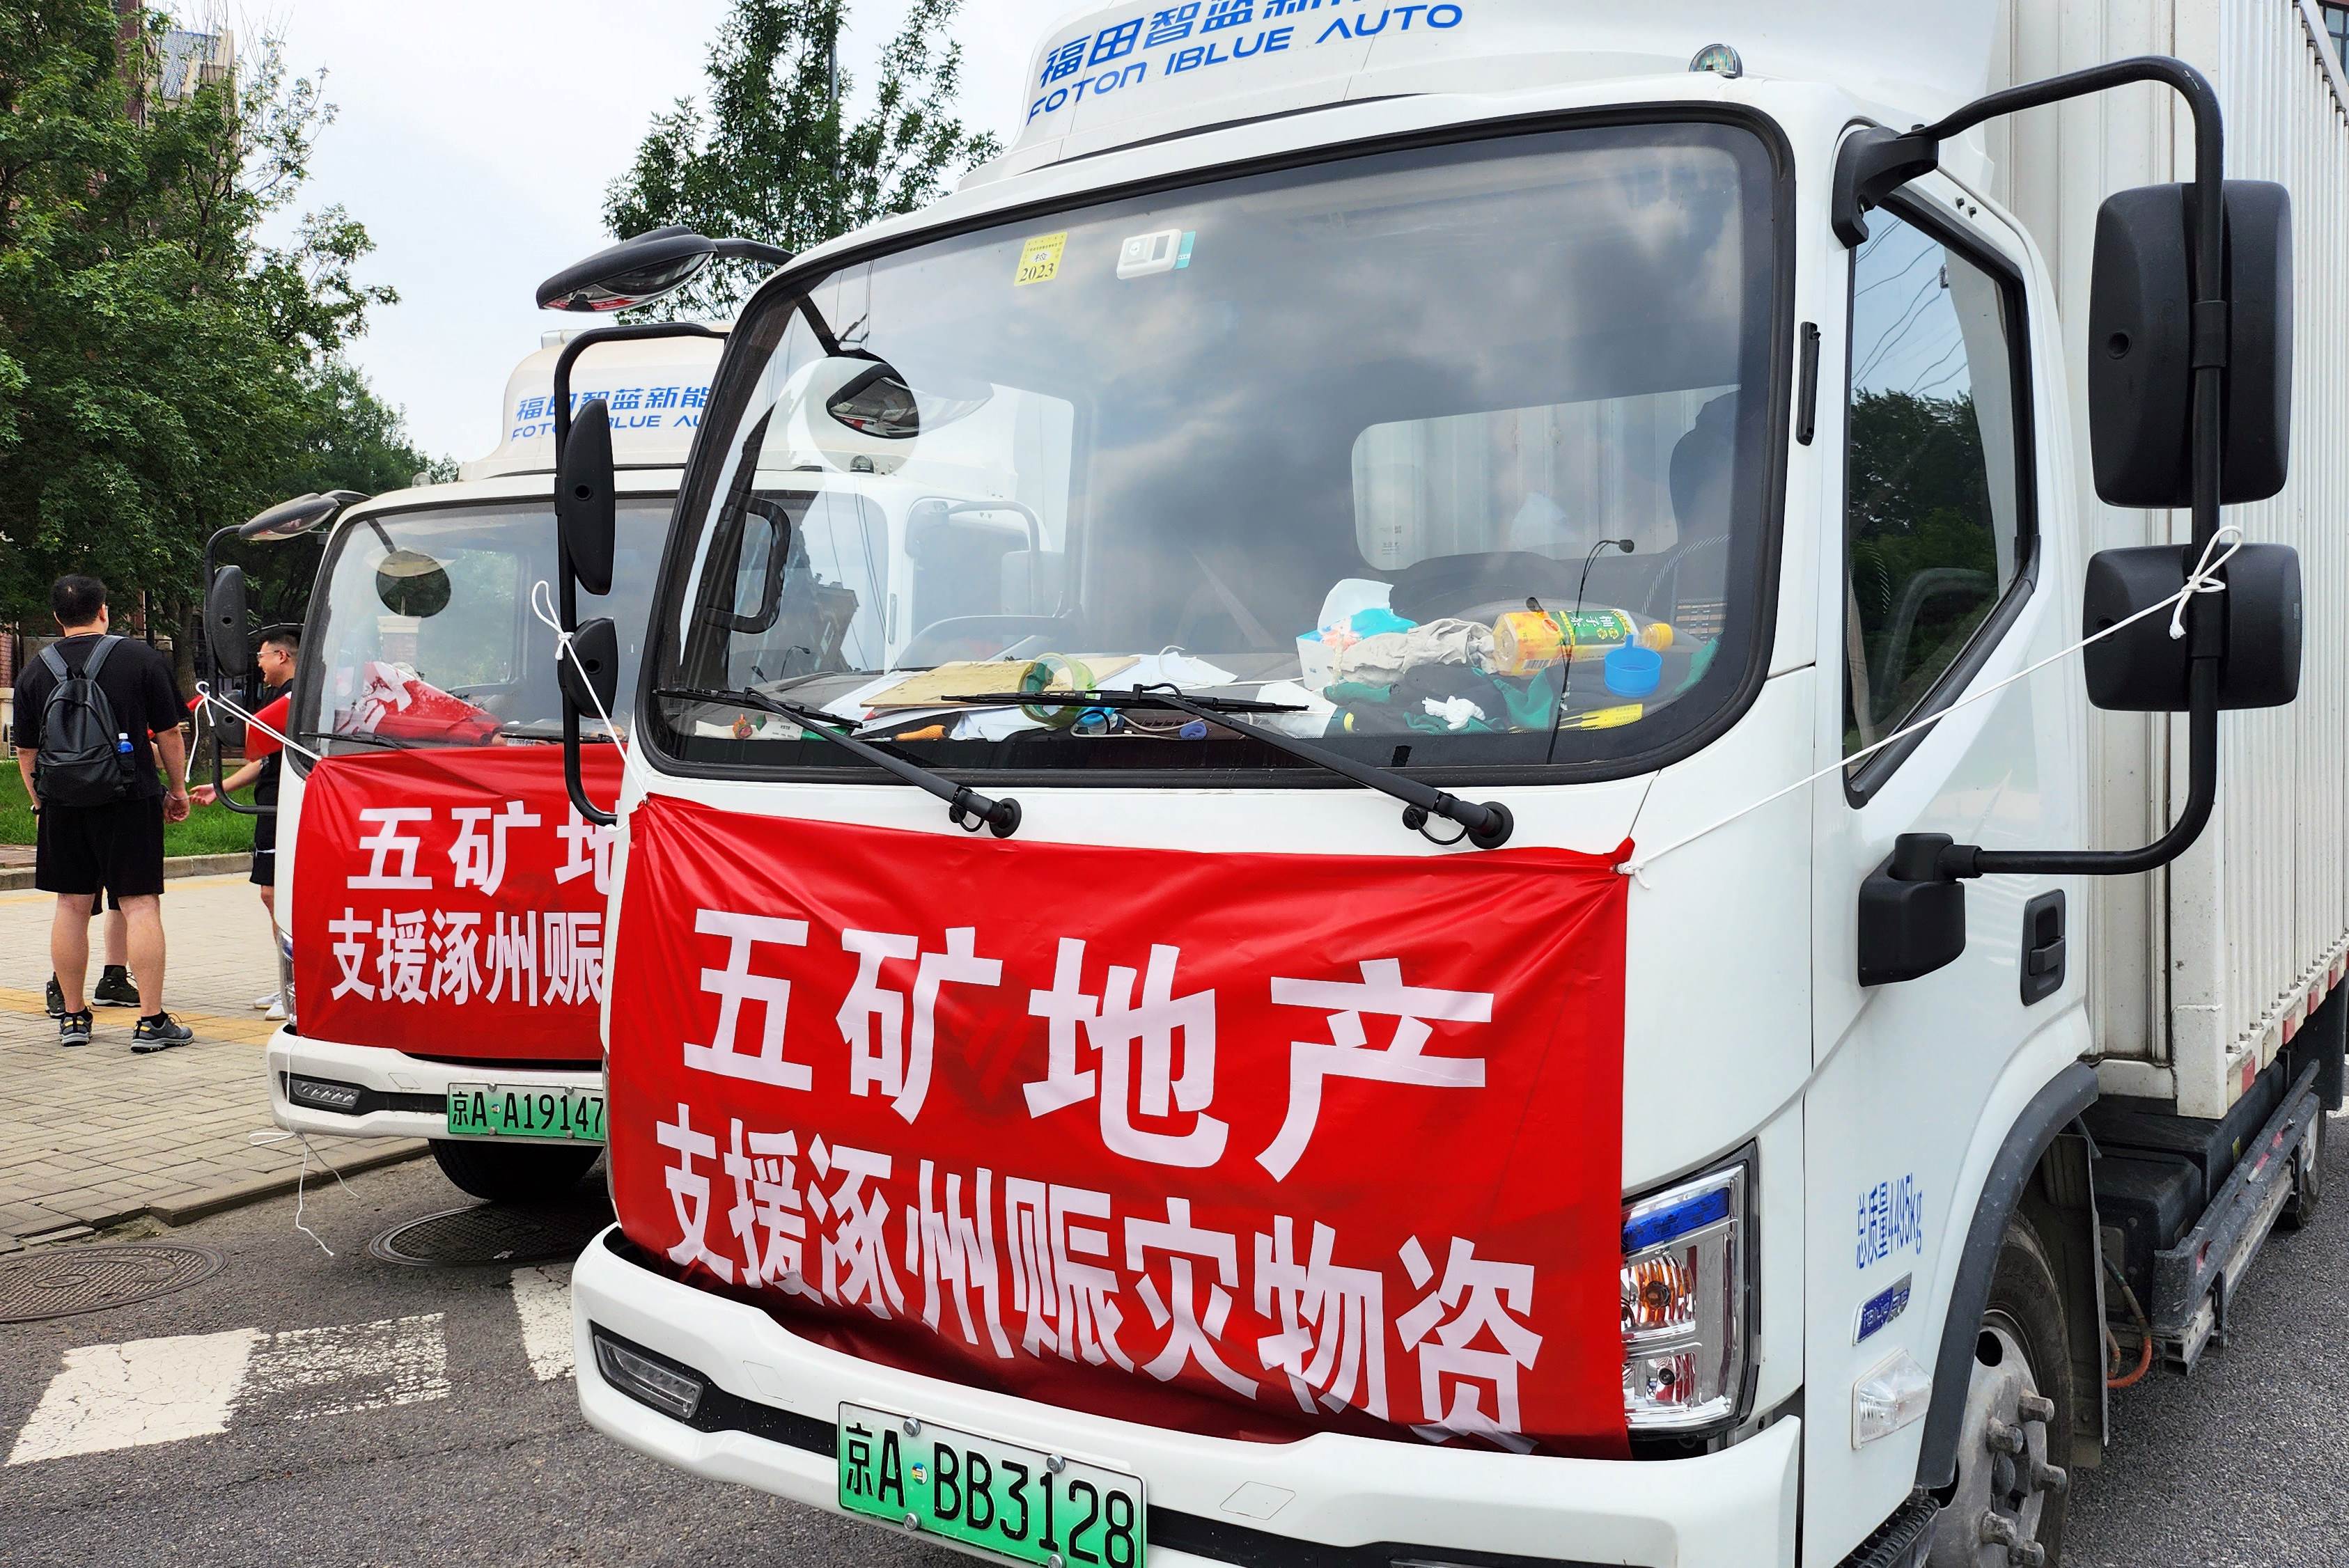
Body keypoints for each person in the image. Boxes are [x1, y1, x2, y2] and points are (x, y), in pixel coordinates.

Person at [13, 575, 195, 1051]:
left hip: (62, 803)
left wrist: (40, 803)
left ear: (57, 618)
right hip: (129, 797)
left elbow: (26, 751)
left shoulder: (34, 671)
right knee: (139, 904)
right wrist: (177, 790)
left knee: (71, 905)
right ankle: (151, 1022)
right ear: (104, 611)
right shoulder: (139, 659)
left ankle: (73, 1018)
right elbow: (169, 734)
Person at [192, 626, 297, 1019]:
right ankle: (287, 979)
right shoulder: (274, 698)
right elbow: (261, 759)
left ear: (282, 657)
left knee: (281, 895)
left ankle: (297, 982)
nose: (258, 662)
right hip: (268, 805)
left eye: (263, 655)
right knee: (271, 895)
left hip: (289, 804)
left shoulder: (300, 699)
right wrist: (220, 788)